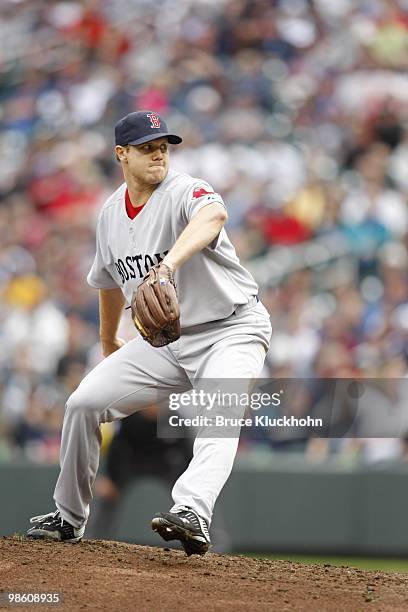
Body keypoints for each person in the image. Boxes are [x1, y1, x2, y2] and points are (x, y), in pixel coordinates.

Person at [26, 111, 272, 556]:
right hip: (168, 343)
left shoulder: (183, 190)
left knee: (220, 411)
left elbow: (214, 215)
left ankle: (192, 511)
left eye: (163, 144)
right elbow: (106, 281)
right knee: (82, 403)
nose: (158, 152)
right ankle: (68, 517)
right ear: (121, 154)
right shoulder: (109, 215)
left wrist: (167, 265)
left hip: (231, 328)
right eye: (146, 146)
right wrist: (108, 341)